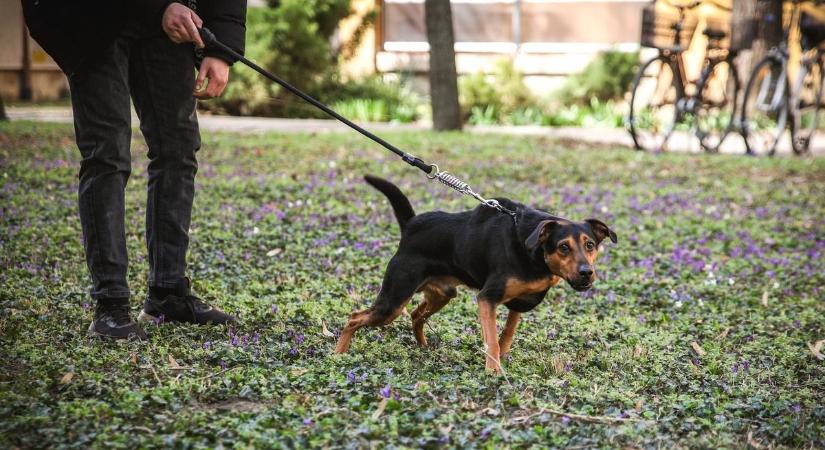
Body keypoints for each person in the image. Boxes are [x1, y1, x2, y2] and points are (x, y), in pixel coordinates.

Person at [23, 0, 247, 339]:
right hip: (91, 17)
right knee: (106, 153)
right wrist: (157, 7)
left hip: (166, 23)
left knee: (178, 147)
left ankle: (167, 293)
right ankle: (110, 304)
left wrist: (221, 49)